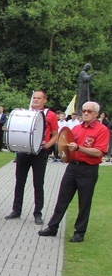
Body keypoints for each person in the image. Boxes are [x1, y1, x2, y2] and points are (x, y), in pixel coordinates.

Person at [38, 101, 109, 242]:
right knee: (62, 198)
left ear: (96, 114)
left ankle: (79, 232)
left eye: (89, 111)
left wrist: (79, 148)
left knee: (84, 202)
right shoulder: (76, 128)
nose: (86, 113)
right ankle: (53, 227)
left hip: (88, 169)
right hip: (73, 167)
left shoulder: (102, 130)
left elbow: (98, 152)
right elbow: (66, 145)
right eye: (84, 111)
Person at [5, 90, 59, 224]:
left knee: (38, 183)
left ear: (44, 100)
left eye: (39, 98)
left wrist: (49, 144)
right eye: (34, 98)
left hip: (40, 152)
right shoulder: (25, 113)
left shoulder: (50, 115)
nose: (35, 100)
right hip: (24, 151)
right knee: (19, 182)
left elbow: (55, 135)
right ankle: (16, 210)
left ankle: (38, 213)